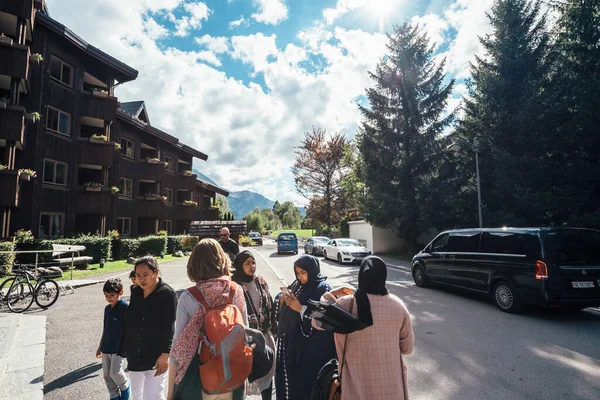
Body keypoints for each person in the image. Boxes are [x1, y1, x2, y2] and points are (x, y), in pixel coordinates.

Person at [314, 256, 414, 400]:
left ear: (361, 275)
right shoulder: (398, 306)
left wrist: (329, 295)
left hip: (354, 390)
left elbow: (316, 320)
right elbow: (407, 349)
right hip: (392, 390)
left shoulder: (346, 305)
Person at [168, 238, 248, 400]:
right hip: (233, 374)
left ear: (194, 264)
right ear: (222, 259)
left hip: (199, 376)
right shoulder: (236, 291)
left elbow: (178, 348)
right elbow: (245, 332)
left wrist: (170, 391)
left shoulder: (189, 297)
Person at [275, 255, 336, 400]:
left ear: (312, 270)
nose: (300, 277)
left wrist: (301, 309)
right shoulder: (297, 285)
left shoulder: (323, 289)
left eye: (303, 273)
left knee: (310, 388)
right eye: (297, 273)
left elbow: (326, 319)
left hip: (314, 353)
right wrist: (282, 298)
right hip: (295, 351)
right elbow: (283, 301)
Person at [125, 256, 178, 400]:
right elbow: (131, 320)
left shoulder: (167, 294)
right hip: (135, 353)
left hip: (156, 355)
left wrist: (165, 355)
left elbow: (169, 326)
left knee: (153, 395)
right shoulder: (136, 291)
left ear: (156, 272)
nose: (141, 279)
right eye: (138, 275)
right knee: (137, 395)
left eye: (145, 275)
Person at [231, 251, 277, 400]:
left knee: (267, 372)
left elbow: (269, 305)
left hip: (264, 336)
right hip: (245, 339)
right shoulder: (234, 287)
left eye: (253, 263)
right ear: (239, 266)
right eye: (247, 263)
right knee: (244, 374)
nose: (252, 266)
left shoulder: (261, 282)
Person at [96, 278, 131, 400]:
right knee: (106, 375)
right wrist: (100, 346)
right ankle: (114, 395)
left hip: (119, 347)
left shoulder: (125, 308)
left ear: (121, 292)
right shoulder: (107, 309)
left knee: (115, 372)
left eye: (112, 295)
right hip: (106, 346)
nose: (109, 298)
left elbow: (129, 330)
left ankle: (125, 387)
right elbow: (105, 328)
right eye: (106, 295)